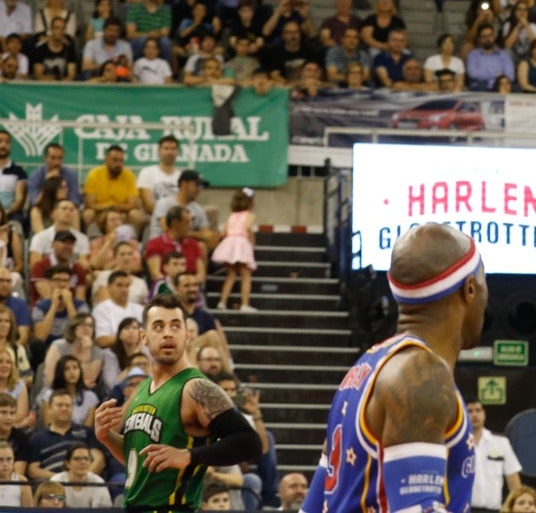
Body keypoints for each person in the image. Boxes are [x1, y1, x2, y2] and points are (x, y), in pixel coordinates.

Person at [299, 224, 485, 513]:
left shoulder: (365, 367)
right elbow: (415, 509)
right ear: (470, 288)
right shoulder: (421, 376)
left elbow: (311, 508)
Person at [92, 291, 263, 511]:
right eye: (159, 326)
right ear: (144, 337)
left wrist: (189, 456)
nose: (168, 333)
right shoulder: (143, 387)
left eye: (175, 326)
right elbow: (139, 458)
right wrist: (106, 437)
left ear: (186, 335)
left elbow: (250, 443)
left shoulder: (196, 388)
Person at [467, 400, 522, 513]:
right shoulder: (455, 445)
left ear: (484, 414)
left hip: (494, 510)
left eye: (478, 410)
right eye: (470, 411)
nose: (474, 415)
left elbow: (514, 483)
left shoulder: (501, 442)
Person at [211, 189, 257, 312]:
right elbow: (248, 228)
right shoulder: (249, 215)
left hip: (230, 244)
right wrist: (252, 241)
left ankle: (222, 302)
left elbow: (223, 232)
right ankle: (245, 304)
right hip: (241, 244)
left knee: (231, 275)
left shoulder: (231, 216)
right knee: (246, 275)